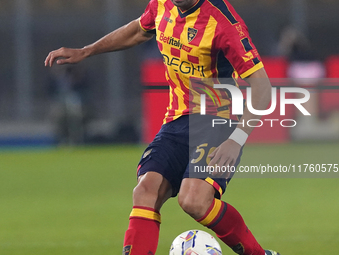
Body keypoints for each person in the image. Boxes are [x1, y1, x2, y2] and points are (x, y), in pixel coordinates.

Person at [45, 0, 280, 254]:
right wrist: (86, 51)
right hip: (176, 121)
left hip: (217, 120)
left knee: (194, 200)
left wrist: (237, 139)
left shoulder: (223, 22)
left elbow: (263, 88)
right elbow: (138, 30)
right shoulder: (161, 5)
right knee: (145, 190)